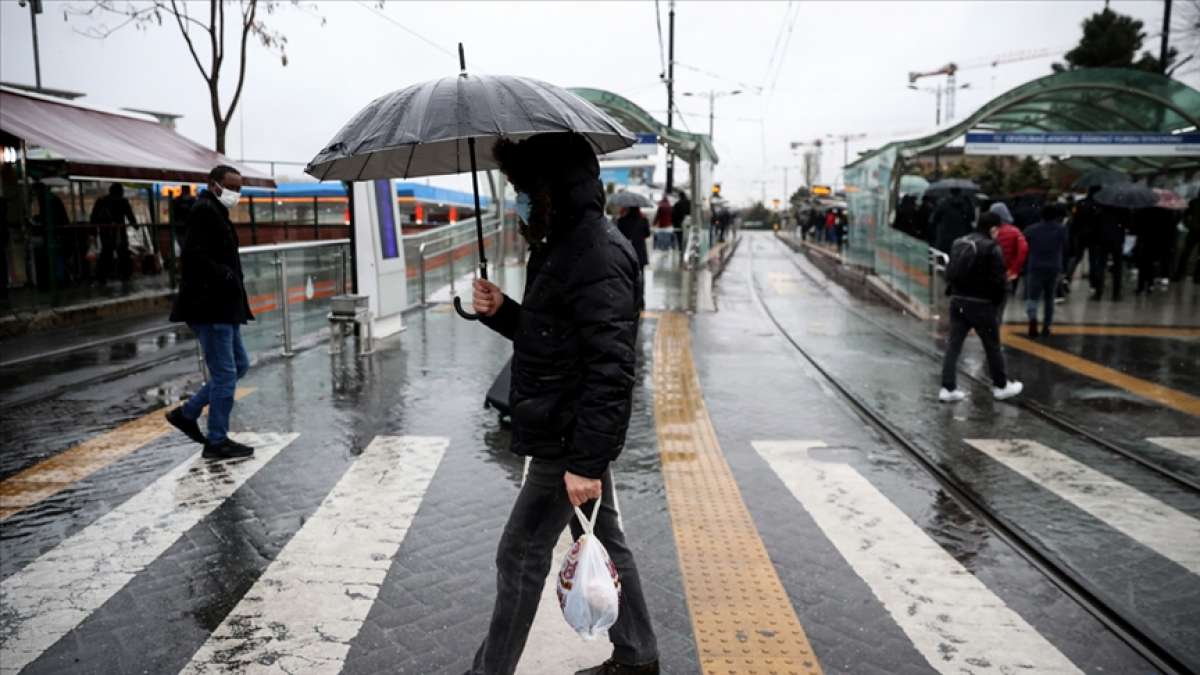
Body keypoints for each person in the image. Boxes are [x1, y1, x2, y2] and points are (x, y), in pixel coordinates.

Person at [467, 133, 659, 675]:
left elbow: (611, 368)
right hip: (568, 425)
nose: (519, 201)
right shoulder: (564, 245)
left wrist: (585, 462)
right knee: (602, 536)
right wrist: (503, 311)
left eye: (523, 189)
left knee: (520, 555)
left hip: (567, 434)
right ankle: (638, 656)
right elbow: (553, 336)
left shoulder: (594, 252)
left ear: (550, 187)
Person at [166, 165, 256, 460]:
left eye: (240, 188)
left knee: (239, 365)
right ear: (214, 184)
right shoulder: (205, 210)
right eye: (232, 186)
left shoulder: (215, 210)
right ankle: (216, 441)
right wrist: (225, 276)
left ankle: (187, 413)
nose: (236, 193)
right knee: (226, 374)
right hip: (211, 307)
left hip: (224, 307)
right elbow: (194, 256)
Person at [938, 214, 1023, 403]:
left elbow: (950, 272)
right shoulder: (991, 248)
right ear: (993, 229)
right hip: (982, 304)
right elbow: (998, 280)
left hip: (958, 301)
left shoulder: (960, 242)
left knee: (954, 345)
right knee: (992, 346)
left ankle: (947, 387)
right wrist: (997, 301)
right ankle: (1001, 386)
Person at [1022, 203, 1068, 337]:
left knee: (1032, 297)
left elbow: (1023, 247)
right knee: (1049, 298)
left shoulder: (1031, 230)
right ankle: (1047, 326)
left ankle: (1032, 318)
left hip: (1035, 266)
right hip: (1054, 267)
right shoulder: (1061, 230)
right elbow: (1067, 247)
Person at [90, 183, 137, 285]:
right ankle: (125, 275)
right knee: (123, 254)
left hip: (106, 231)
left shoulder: (101, 201)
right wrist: (135, 226)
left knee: (106, 254)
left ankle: (102, 277)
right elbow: (130, 215)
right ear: (120, 191)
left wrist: (93, 232)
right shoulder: (123, 201)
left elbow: (93, 217)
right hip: (119, 231)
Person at [988, 202, 1028, 297]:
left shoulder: (989, 231)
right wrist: (1015, 269)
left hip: (992, 271)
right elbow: (1023, 250)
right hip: (1010, 268)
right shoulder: (1015, 231)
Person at [615, 205, 651, 308]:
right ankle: (641, 300)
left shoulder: (622, 221)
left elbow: (618, 234)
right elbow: (647, 234)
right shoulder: (643, 220)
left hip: (626, 253)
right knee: (641, 277)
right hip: (640, 254)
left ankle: (630, 299)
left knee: (627, 277)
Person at [1089, 203, 1126, 300]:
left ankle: (1098, 292)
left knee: (1101, 266)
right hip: (1117, 241)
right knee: (1117, 267)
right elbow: (1128, 224)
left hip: (1103, 241)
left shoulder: (1100, 211)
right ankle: (1116, 294)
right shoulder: (1122, 211)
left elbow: (1094, 227)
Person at [932, 187, 975, 254]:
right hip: (961, 235)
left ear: (950, 192)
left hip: (945, 235)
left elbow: (935, 218)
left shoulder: (944, 203)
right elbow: (972, 218)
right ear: (960, 192)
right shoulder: (966, 203)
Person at [1175, 196, 1200, 283]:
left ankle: (1180, 273)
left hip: (1193, 230)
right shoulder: (1193, 202)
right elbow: (1186, 215)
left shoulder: (1194, 202)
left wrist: (1188, 224)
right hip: (1193, 229)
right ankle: (1196, 276)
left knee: (1186, 253)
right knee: (1187, 253)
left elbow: (1186, 215)